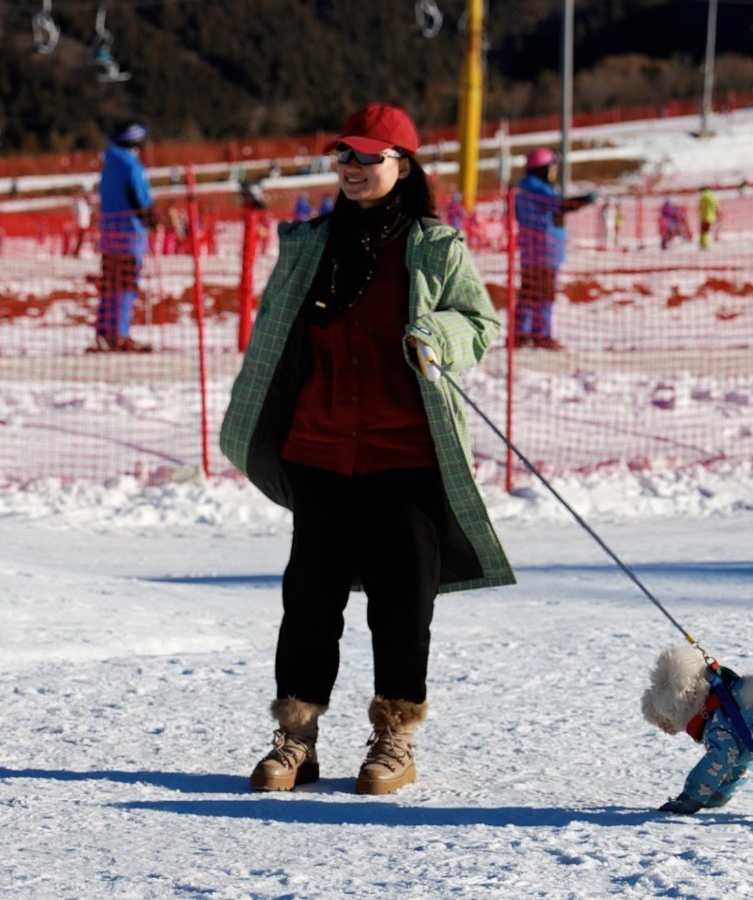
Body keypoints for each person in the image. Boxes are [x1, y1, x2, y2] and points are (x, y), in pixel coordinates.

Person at [220, 102, 513, 796]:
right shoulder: (309, 245)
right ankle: (296, 737)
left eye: (368, 157)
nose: (351, 168)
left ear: (402, 166)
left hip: (404, 455)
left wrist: (436, 333)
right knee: (309, 604)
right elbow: (279, 339)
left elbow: (480, 322)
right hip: (318, 448)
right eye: (344, 155)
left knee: (402, 606)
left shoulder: (436, 247)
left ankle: (394, 738)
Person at [513, 147, 597, 348]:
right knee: (543, 295)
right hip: (544, 251)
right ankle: (541, 335)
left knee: (528, 293)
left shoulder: (524, 188)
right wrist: (583, 200)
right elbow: (558, 205)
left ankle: (521, 333)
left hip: (532, 251)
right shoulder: (537, 188)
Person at [93, 120, 156, 352]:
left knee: (110, 285)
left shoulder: (108, 165)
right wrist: (150, 219)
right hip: (130, 236)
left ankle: (104, 332)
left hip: (109, 234)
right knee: (126, 286)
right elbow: (140, 199)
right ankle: (119, 334)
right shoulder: (132, 166)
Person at [697, 186, 719, 250]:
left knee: (703, 231)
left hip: (703, 216)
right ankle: (704, 244)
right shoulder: (712, 196)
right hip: (710, 216)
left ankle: (703, 244)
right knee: (706, 231)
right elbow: (716, 206)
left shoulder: (702, 197)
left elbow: (700, 207)